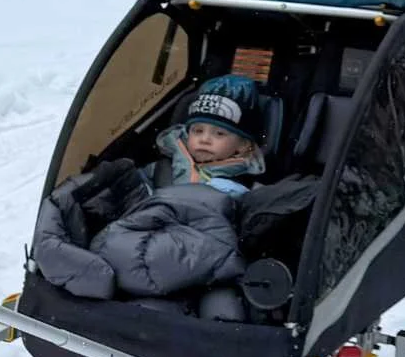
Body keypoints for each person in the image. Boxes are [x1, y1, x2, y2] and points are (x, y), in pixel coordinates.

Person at [34, 74, 268, 306]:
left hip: (192, 261)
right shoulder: (160, 170)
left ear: (243, 145)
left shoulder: (244, 189)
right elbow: (138, 207)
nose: (205, 139)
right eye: (198, 131)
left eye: (219, 134)